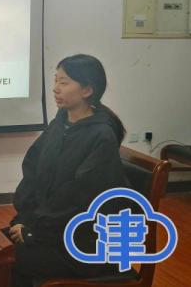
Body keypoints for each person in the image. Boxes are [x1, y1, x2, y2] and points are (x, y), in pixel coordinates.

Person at [8, 54, 128, 287]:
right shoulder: (59, 125)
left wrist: (34, 232)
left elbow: (80, 198)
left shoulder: (101, 136)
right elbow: (32, 175)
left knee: (3, 260)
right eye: (56, 80)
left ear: (87, 90)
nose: (55, 88)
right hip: (48, 230)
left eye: (64, 82)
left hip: (81, 243)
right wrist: (23, 220)